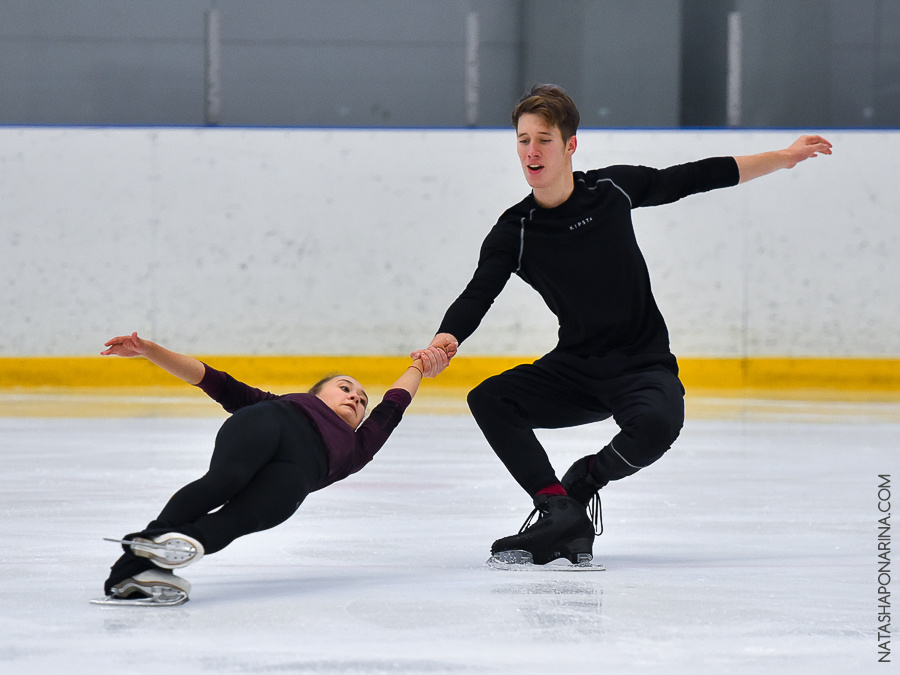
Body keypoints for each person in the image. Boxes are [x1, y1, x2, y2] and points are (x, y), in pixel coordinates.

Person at [413, 84, 832, 566]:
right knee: (489, 399)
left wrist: (783, 157)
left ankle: (584, 481)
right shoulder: (515, 231)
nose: (532, 151)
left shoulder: (610, 190)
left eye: (544, 139)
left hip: (642, 363)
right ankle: (557, 509)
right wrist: (445, 340)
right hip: (576, 369)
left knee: (659, 425)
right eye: (523, 140)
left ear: (570, 145)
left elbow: (691, 177)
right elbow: (478, 293)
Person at [99, 331, 451, 603]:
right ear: (316, 394)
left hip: (297, 475)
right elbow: (210, 378)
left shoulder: (358, 447)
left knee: (244, 517)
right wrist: (150, 351)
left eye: (361, 401)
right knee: (226, 480)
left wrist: (418, 368)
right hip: (271, 424)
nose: (354, 398)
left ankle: (171, 549)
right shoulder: (282, 403)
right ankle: (143, 553)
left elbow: (394, 404)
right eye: (345, 388)